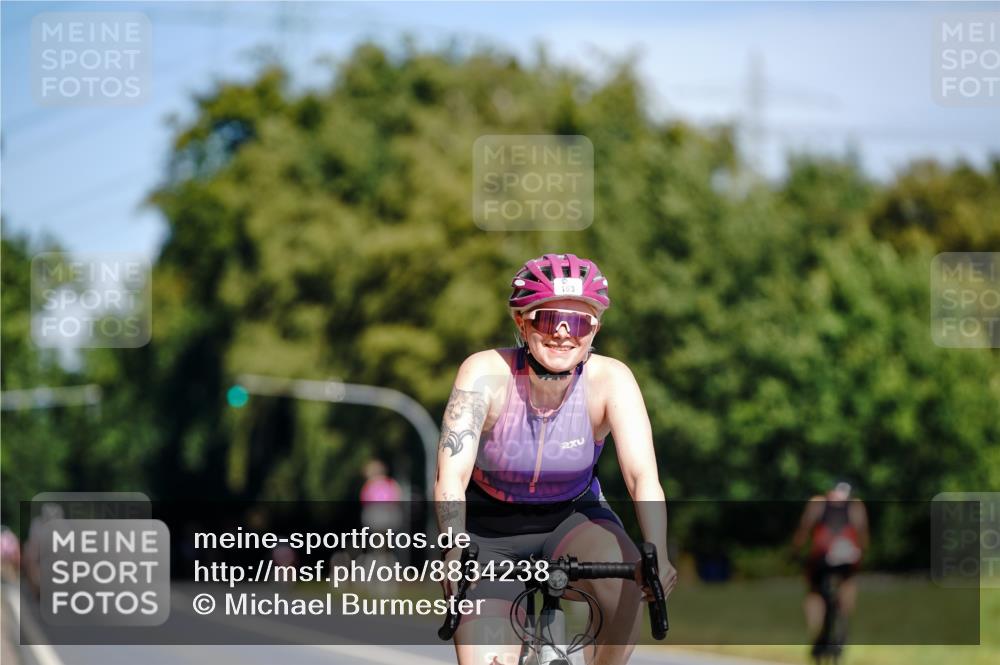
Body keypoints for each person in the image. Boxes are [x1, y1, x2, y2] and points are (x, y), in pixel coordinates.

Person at [434, 253, 676, 665]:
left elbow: (641, 475)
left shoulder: (611, 379)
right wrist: (455, 549)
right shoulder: (483, 374)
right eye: (549, 319)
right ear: (522, 322)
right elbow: (450, 475)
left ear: (594, 329)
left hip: (572, 518)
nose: (564, 333)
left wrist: (659, 551)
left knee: (628, 575)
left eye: (579, 322)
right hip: (489, 531)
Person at [791, 481, 869, 653]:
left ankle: (816, 631)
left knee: (813, 591)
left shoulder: (817, 503)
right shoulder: (856, 506)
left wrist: (795, 551)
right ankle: (844, 625)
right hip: (848, 557)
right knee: (848, 584)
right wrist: (862, 554)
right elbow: (863, 534)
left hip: (822, 557)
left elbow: (804, 530)